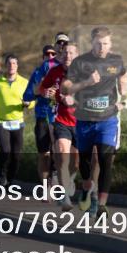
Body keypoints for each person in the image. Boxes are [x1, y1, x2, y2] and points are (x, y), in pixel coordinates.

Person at [63, 26, 127, 219]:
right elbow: (66, 87)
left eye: (105, 44)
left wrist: (123, 100)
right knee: (86, 164)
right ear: (92, 43)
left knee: (105, 160)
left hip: (108, 119)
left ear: (110, 44)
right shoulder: (80, 62)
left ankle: (102, 203)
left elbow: (124, 82)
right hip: (85, 120)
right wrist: (86, 83)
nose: (101, 47)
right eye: (98, 43)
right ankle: (89, 190)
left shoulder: (116, 61)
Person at [38, 40, 81, 211]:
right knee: (62, 153)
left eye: (71, 53)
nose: (67, 56)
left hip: (80, 121)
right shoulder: (54, 71)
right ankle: (64, 197)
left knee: (75, 162)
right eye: (65, 53)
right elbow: (42, 89)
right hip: (61, 120)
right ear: (61, 55)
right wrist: (46, 92)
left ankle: (70, 179)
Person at [0, 55, 33, 186]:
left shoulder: (24, 82)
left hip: (18, 122)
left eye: (14, 63)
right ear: (5, 66)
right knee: (5, 150)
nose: (12, 66)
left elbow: (33, 100)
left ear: (17, 66)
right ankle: (2, 172)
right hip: (2, 121)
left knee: (16, 155)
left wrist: (28, 104)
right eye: (9, 63)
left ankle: (10, 179)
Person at [24, 42, 60, 193]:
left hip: (59, 117)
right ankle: (46, 188)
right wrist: (40, 91)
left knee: (59, 152)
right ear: (43, 57)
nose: (50, 57)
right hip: (42, 116)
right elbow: (27, 95)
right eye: (47, 55)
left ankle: (57, 177)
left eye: (53, 54)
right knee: (43, 154)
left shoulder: (63, 71)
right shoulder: (38, 72)